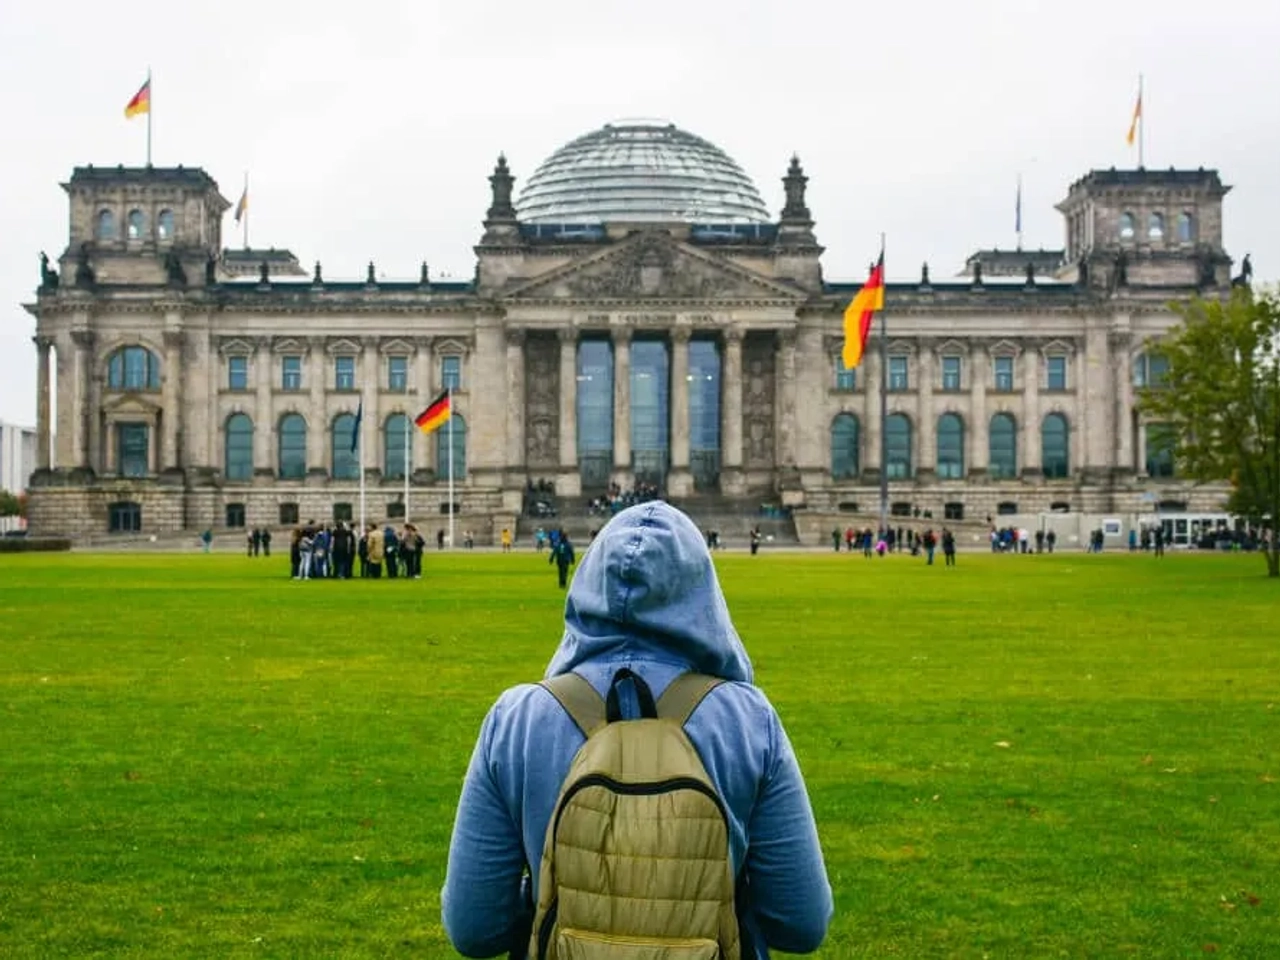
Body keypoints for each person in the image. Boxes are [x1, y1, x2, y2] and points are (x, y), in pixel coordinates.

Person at [442, 502, 832, 959]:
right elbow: (800, 923)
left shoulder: (517, 720)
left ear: (589, 583)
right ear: (701, 590)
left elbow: (474, 929)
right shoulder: (749, 721)